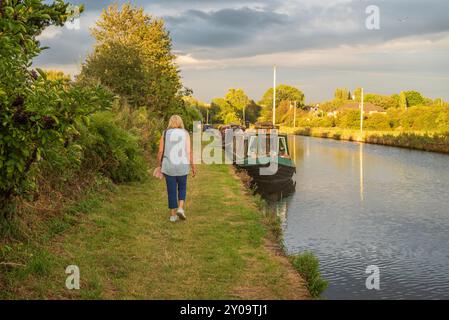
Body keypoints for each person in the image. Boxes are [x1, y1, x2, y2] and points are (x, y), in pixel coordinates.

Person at [157, 115, 196, 222]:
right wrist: (193, 166)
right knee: (182, 188)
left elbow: (160, 151)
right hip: (182, 165)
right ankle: (180, 208)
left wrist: (159, 164)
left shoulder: (165, 133)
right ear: (180, 122)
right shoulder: (185, 133)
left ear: (170, 122)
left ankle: (173, 216)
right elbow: (189, 152)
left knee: (171, 191)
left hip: (169, 166)